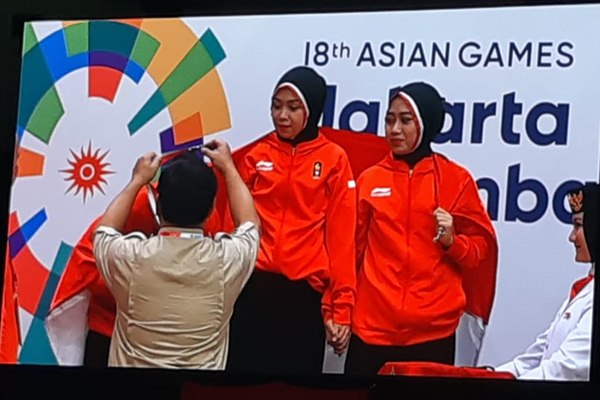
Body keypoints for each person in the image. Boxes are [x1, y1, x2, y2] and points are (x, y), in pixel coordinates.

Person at [345, 81, 498, 376]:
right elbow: (349, 253)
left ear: (426, 123)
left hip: (433, 335)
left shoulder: (456, 180)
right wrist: (339, 310)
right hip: (370, 332)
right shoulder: (370, 180)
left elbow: (480, 253)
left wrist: (453, 242)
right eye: (389, 120)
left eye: (405, 120)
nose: (394, 129)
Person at [226, 66, 357, 376]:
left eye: (293, 107)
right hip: (252, 291)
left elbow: (342, 241)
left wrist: (341, 308)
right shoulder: (256, 155)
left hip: (303, 299)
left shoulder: (334, 160)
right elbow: (232, 229)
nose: (282, 115)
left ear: (312, 110)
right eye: (276, 105)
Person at [92, 140, 260, 369]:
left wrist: (137, 180)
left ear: (158, 204)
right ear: (212, 209)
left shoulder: (129, 257)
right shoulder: (228, 260)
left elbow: (105, 231)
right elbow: (250, 224)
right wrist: (229, 167)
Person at [494, 182, 598, 381]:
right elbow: (535, 357)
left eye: (578, 226)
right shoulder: (584, 289)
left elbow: (565, 368)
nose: (571, 237)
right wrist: (486, 378)